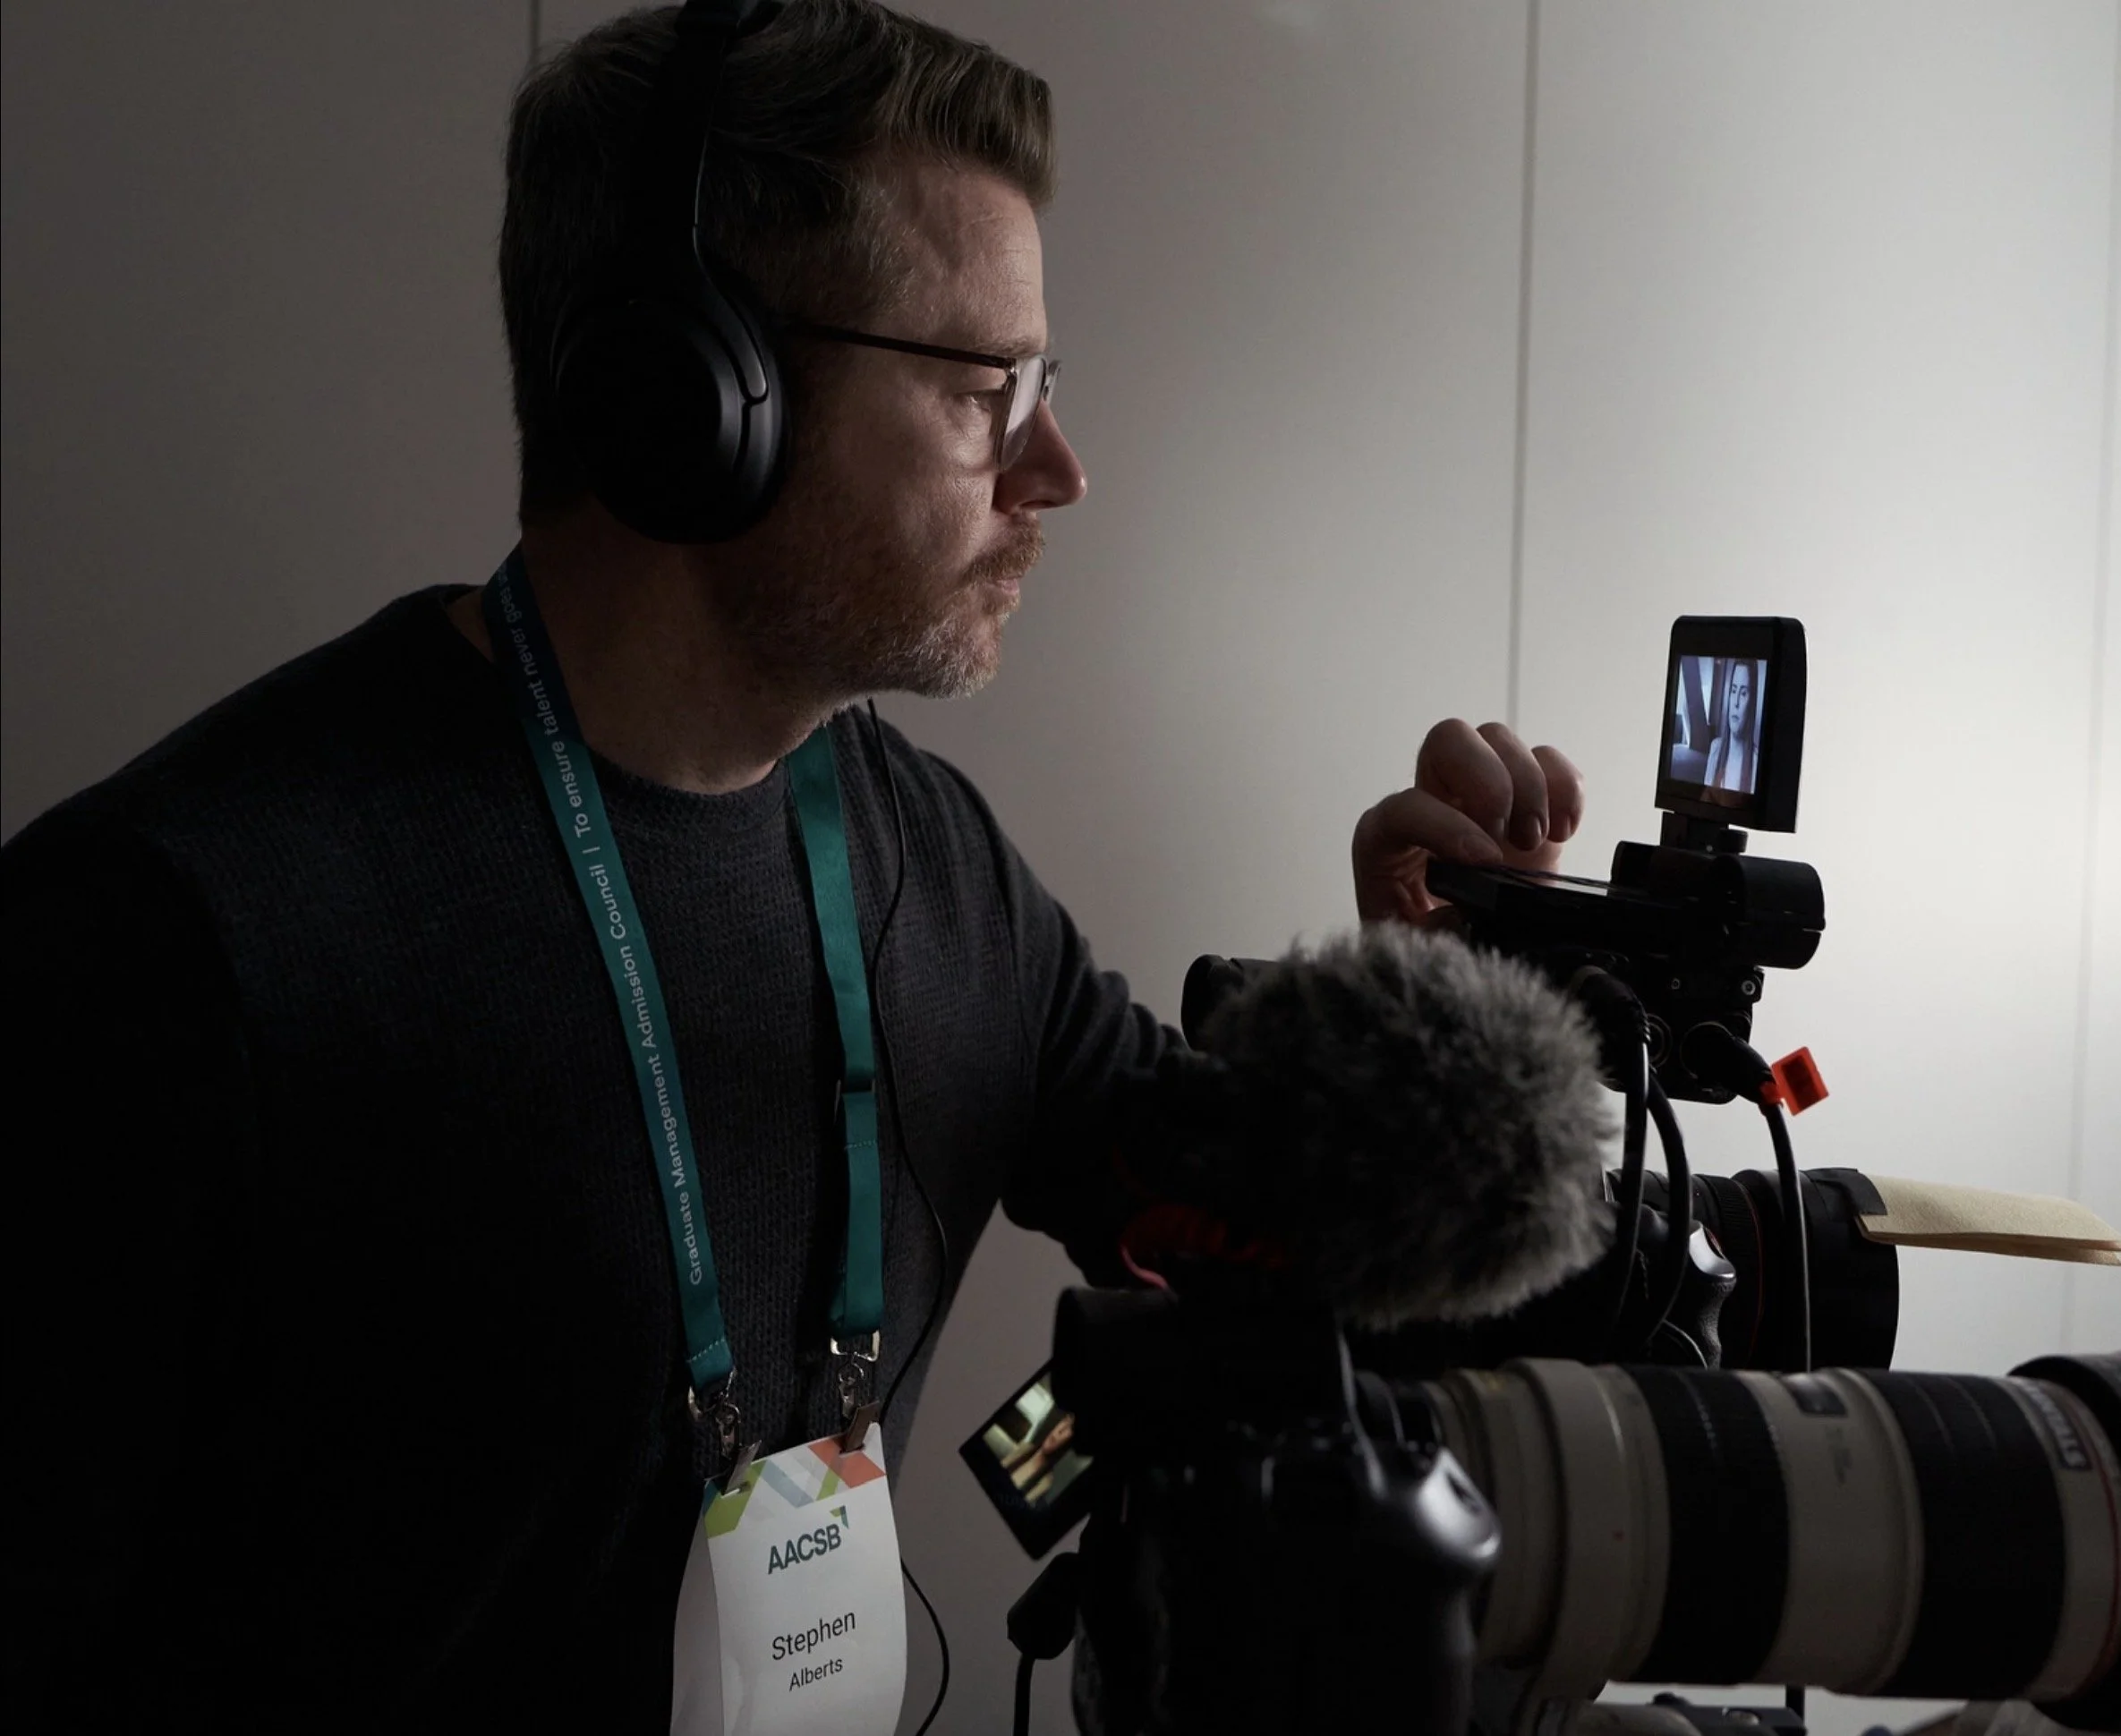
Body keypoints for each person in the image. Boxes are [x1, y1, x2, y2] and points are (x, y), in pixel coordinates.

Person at [0, 2, 1583, 1727]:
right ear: (699, 393)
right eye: (992, 389)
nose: (1059, 466)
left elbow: (1240, 1219)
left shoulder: (937, 872)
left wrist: (1439, 978)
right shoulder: (173, 941)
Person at [1704, 659, 1759, 794]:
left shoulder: (1756, 762)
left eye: (1744, 693)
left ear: (1751, 703)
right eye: (1734, 691)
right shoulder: (1715, 749)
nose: (1736, 703)